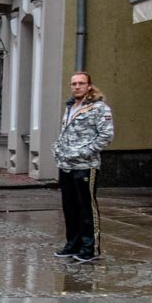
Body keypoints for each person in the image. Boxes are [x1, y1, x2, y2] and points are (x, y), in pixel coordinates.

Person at [52, 72, 114, 263]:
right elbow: (65, 132)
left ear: (89, 86)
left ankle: (90, 248)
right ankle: (73, 244)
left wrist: (83, 152)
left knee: (87, 207)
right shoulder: (71, 106)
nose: (77, 86)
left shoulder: (99, 108)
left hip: (86, 166)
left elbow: (106, 136)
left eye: (81, 83)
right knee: (69, 207)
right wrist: (58, 149)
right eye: (74, 83)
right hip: (66, 165)